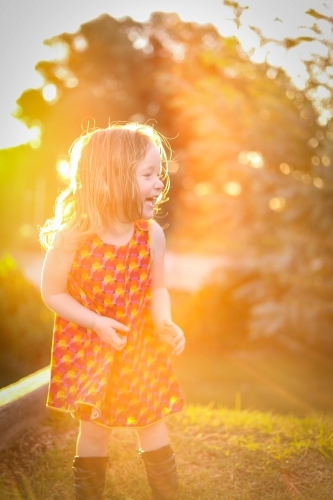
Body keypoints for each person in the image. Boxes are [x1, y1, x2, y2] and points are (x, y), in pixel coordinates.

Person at [40, 123, 186, 500]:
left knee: (152, 421)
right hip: (92, 347)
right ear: (113, 179)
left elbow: (158, 288)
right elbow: (52, 292)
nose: (160, 184)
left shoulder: (150, 234)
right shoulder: (74, 235)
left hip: (141, 346)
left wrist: (164, 321)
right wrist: (95, 322)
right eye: (149, 174)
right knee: (94, 428)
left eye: (160, 174)